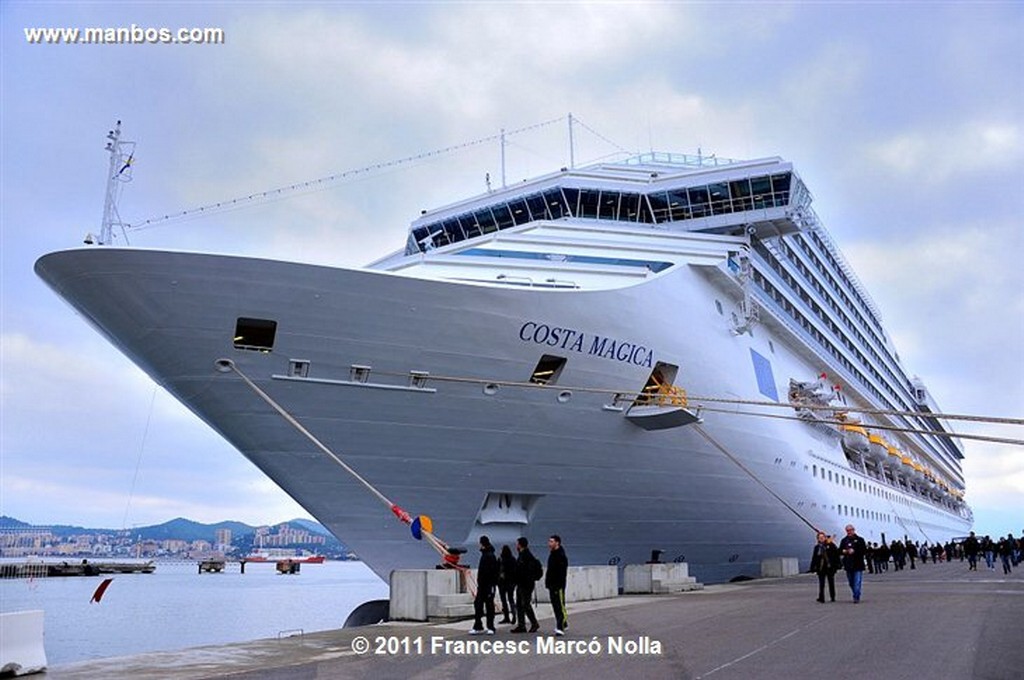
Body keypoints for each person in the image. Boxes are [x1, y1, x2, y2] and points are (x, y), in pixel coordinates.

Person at [469, 535, 499, 635]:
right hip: (482, 586)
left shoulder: (489, 555)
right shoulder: (487, 554)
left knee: (489, 606)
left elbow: (493, 572)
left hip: (488, 585)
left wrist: (492, 584)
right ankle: (478, 626)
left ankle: (490, 627)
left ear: (482, 543)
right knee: (478, 605)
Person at [510, 537, 540, 633]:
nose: (516, 545)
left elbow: (525, 571)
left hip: (526, 584)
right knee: (519, 604)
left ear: (520, 545)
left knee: (525, 604)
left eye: (517, 544)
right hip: (521, 584)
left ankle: (534, 623)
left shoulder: (526, 556)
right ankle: (521, 625)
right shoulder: (522, 555)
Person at [545, 535, 569, 635]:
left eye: (551, 541)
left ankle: (560, 627)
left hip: (558, 586)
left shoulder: (560, 556)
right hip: (552, 585)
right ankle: (564, 623)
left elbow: (562, 573)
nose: (549, 543)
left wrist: (558, 585)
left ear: (557, 543)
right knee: (555, 606)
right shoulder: (553, 554)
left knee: (560, 606)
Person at [838, 524, 866, 603]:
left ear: (854, 530)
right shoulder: (844, 540)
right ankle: (856, 593)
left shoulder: (860, 540)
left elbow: (864, 550)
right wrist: (843, 551)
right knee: (851, 582)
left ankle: (856, 597)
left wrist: (854, 551)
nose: (849, 532)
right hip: (848, 565)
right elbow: (839, 550)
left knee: (857, 582)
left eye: (850, 530)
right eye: (847, 530)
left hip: (858, 564)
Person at [809, 532, 840, 603]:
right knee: (821, 583)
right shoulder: (817, 547)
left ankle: (832, 596)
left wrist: (837, 565)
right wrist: (812, 567)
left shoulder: (831, 545)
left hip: (829, 567)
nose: (821, 539)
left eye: (822, 537)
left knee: (831, 582)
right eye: (820, 538)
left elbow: (836, 555)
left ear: (825, 538)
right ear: (818, 539)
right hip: (821, 567)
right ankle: (821, 597)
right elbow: (814, 558)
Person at [498, 544, 517, 625]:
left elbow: (497, 570)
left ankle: (506, 617)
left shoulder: (501, 559)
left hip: (502, 582)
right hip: (511, 582)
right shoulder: (513, 559)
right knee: (511, 599)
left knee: (504, 600)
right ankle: (514, 615)